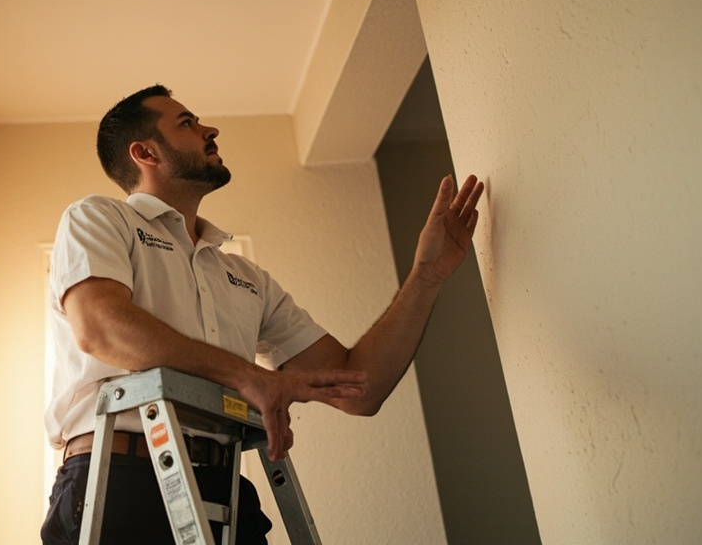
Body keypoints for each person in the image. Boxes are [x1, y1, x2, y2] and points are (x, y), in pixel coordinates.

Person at [41, 84, 484, 544]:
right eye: (187, 123)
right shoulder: (98, 219)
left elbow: (358, 387)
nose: (210, 130)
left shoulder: (245, 276)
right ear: (145, 152)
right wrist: (248, 376)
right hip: (118, 482)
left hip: (225, 486)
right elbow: (100, 327)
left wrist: (426, 275)